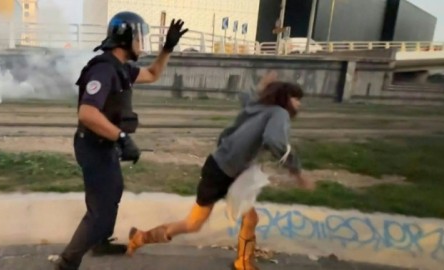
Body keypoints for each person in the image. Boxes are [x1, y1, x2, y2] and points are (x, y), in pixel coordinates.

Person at [126, 71, 315, 270]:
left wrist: (260, 86)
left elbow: (246, 99)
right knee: (193, 224)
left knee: (250, 218)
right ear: (286, 98)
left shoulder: (260, 108)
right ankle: (140, 238)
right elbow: (275, 141)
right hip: (221, 172)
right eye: (296, 99)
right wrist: (297, 172)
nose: (299, 104)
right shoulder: (279, 113)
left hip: (230, 171)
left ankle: (243, 262)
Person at [54, 11, 188, 270]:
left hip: (105, 144)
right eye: (139, 38)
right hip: (93, 145)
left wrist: (168, 48)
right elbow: (87, 112)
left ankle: (100, 241)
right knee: (99, 210)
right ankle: (67, 262)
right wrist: (122, 137)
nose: (141, 44)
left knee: (112, 192)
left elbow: (153, 74)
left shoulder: (122, 69)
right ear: (125, 38)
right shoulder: (104, 70)